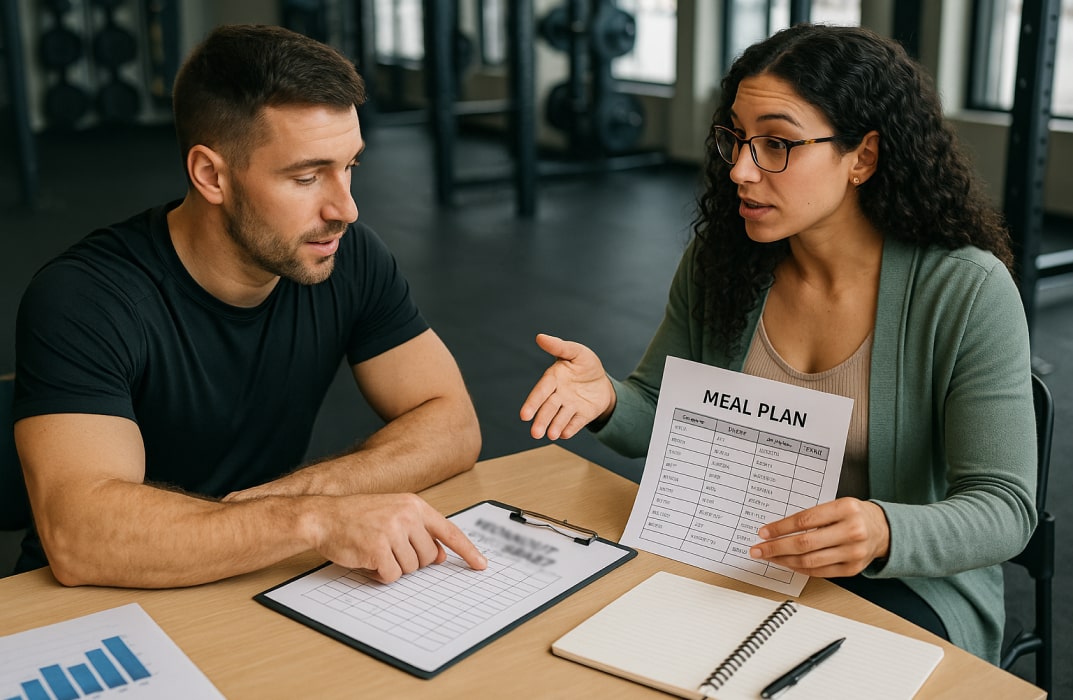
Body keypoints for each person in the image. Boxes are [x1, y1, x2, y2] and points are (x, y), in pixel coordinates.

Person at [520, 23, 1036, 664]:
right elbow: (666, 420)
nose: (740, 169)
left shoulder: (963, 289)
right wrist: (605, 400)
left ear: (863, 157)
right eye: (736, 138)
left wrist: (882, 528)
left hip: (903, 583)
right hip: (736, 552)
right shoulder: (725, 259)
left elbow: (1006, 509)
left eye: (777, 144)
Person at [13, 24, 487, 588]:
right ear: (211, 175)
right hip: (97, 604)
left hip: (253, 572)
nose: (347, 209)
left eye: (350, 167)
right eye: (308, 176)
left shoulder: (347, 256)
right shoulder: (86, 298)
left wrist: (300, 501)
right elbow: (80, 537)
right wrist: (311, 521)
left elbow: (453, 422)